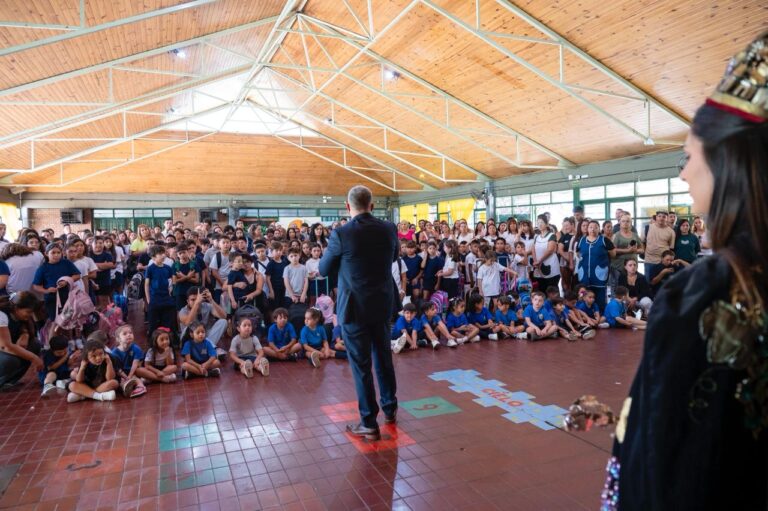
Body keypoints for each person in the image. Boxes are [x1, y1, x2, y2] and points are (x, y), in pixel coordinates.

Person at [588, 32, 768, 510]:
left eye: (689, 157)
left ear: (727, 164)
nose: (683, 174)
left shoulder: (705, 292)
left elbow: (668, 457)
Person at [319, 185, 399, 441]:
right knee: (383, 357)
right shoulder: (389, 228)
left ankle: (368, 422)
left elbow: (323, 269)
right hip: (382, 303)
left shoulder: (341, 234)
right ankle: (390, 409)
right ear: (371, 205)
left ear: (347, 206)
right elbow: (393, 256)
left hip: (354, 307)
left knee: (361, 365)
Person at [0, 292, 42, 388]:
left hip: (6, 348)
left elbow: (26, 329)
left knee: (34, 344)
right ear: (16, 308)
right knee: (10, 360)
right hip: (3, 349)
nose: (30, 315)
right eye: (28, 312)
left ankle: (9, 381)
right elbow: (5, 346)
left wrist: (25, 334)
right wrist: (34, 358)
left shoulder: (19, 316)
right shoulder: (1, 315)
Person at [576, 220, 616, 312]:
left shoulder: (604, 240)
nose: (593, 229)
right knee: (584, 294)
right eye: (590, 227)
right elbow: (577, 252)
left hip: (599, 273)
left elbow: (613, 254)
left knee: (600, 296)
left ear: (599, 229)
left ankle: (600, 313)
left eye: (595, 227)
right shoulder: (581, 240)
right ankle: (585, 314)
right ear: (587, 229)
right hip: (584, 273)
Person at [642, 210, 676, 278]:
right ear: (656, 217)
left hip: (663, 263)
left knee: (663, 282)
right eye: (659, 216)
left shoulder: (671, 232)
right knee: (648, 282)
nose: (661, 218)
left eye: (664, 217)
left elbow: (671, 248)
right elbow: (642, 242)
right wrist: (644, 253)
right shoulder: (647, 228)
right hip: (649, 261)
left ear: (667, 218)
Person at [532, 214, 561, 290]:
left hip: (550, 265)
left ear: (547, 224)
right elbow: (533, 249)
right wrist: (535, 261)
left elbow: (550, 250)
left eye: (541, 222)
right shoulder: (536, 236)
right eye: (538, 222)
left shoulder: (552, 235)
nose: (539, 224)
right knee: (541, 289)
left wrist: (539, 261)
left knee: (552, 289)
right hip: (538, 266)